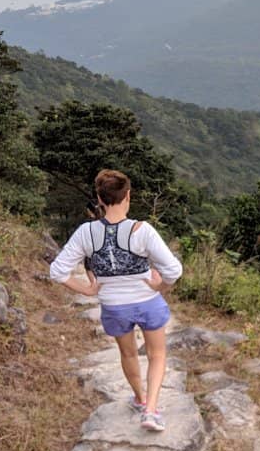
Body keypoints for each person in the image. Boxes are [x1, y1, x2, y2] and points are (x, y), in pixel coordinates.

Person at [50, 169, 182, 432]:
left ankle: (140, 398)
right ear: (128, 196)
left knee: (128, 353)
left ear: (99, 198)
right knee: (157, 355)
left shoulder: (86, 233)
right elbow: (174, 270)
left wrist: (87, 291)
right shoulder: (142, 230)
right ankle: (151, 410)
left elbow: (57, 271)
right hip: (147, 301)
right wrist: (160, 286)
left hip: (114, 306)